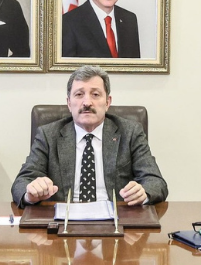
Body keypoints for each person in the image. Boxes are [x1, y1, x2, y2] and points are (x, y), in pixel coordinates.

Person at [11, 65, 167, 206]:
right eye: (79, 94)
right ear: (69, 103)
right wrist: (30, 194)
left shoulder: (130, 132)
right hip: (64, 219)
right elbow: (21, 183)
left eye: (95, 94)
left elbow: (155, 182)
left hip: (117, 219)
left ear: (107, 102)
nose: (87, 102)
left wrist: (143, 193)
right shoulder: (48, 135)